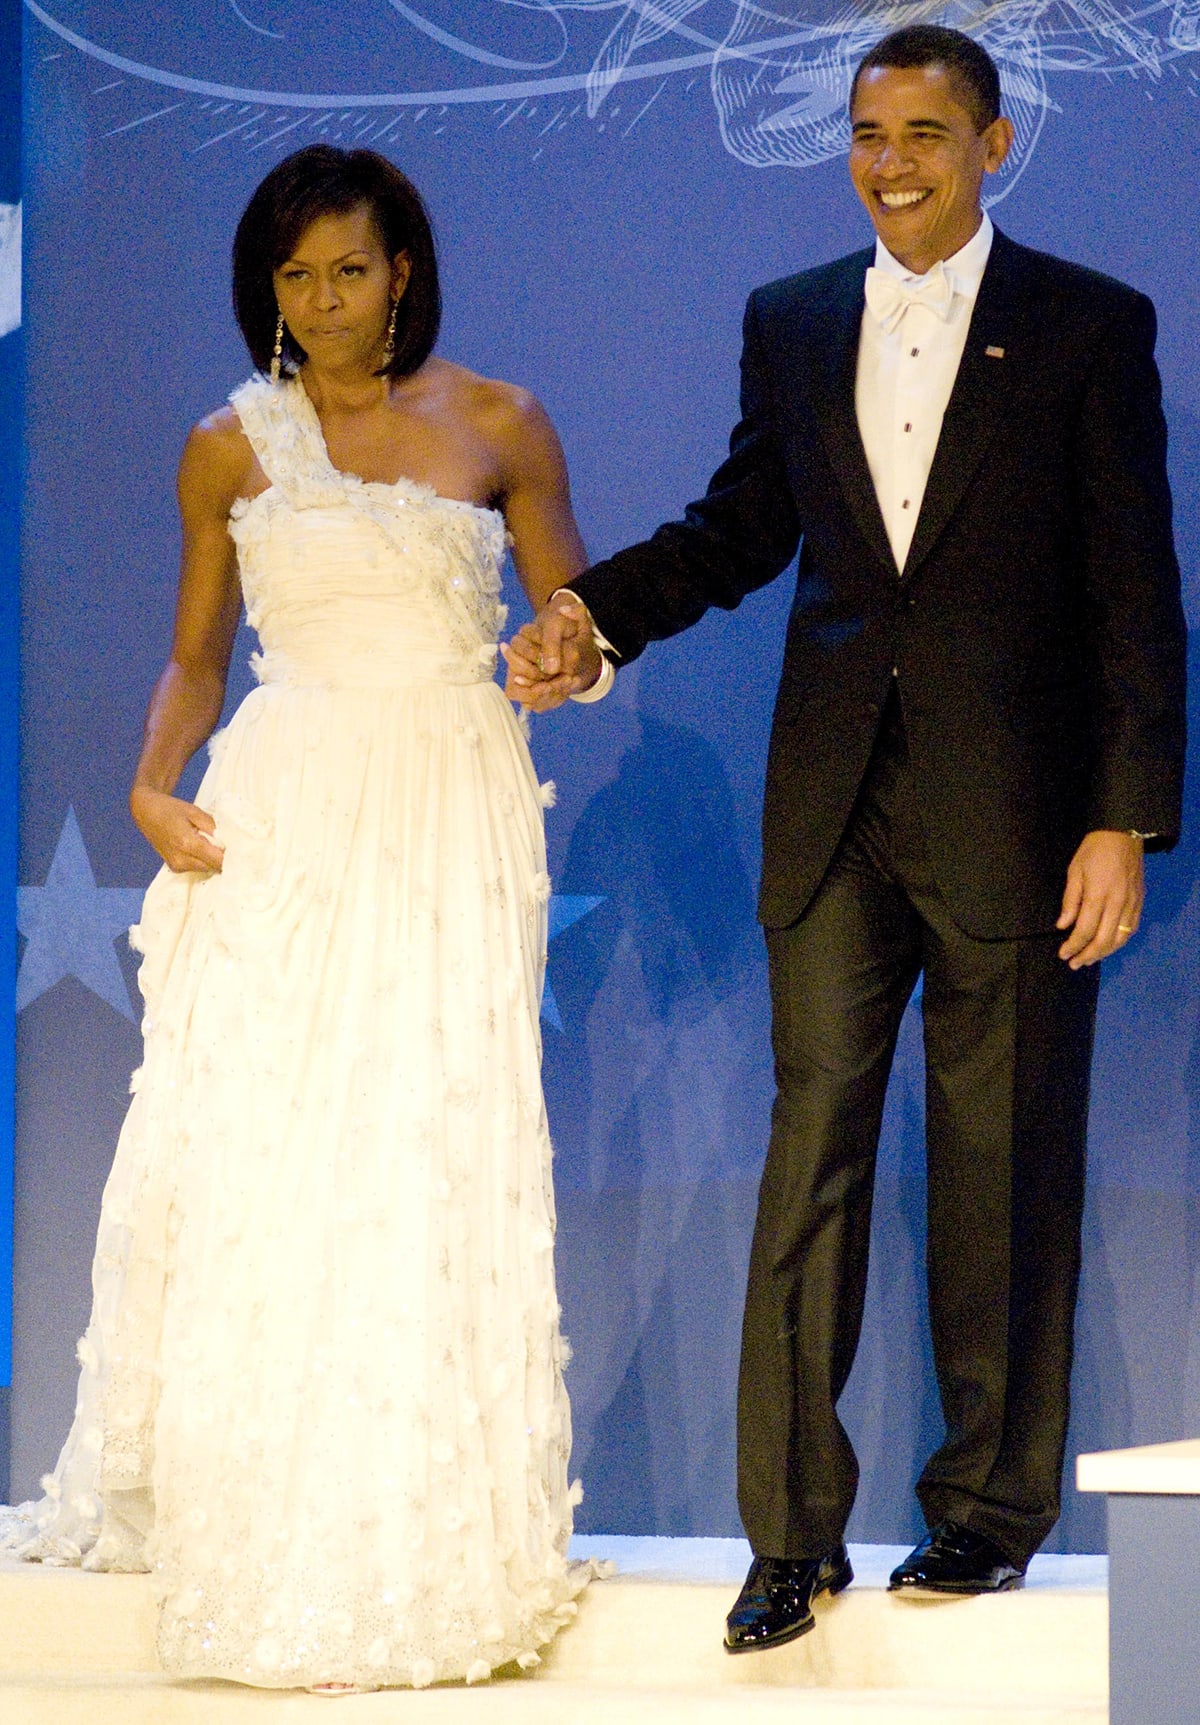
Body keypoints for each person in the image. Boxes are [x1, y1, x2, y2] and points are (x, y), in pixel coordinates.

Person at [506, 24, 1186, 1652]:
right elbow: (747, 524)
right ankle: (791, 1537)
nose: (894, 162)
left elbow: (1135, 591)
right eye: (870, 134)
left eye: (927, 135)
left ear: (996, 145)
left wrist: (1124, 817)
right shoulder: (794, 319)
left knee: (1000, 1163)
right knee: (809, 1154)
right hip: (832, 810)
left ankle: (983, 1513)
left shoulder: (1089, 324)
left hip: (1020, 817)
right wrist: (595, 619)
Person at [1, 144, 600, 1691]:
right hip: (286, 815)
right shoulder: (230, 446)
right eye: (295, 276)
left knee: (424, 1141)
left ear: (404, 265)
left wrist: (565, 657)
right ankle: (260, 1509)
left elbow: (577, 622)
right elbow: (196, 659)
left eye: (349, 267)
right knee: (272, 1152)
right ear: (267, 289)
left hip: (450, 808)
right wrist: (148, 784)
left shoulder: (502, 423)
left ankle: (425, 1526)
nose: (325, 302)